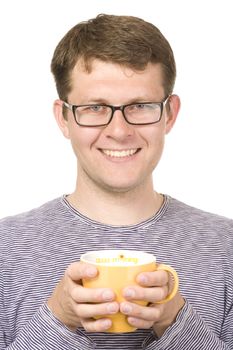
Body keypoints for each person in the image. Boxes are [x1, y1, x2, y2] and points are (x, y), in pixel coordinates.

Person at [0, 13, 232, 350]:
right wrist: (58, 318)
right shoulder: (4, 249)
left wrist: (175, 322)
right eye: (95, 107)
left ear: (170, 114)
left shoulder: (226, 247)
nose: (119, 131)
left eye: (139, 105)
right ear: (64, 118)